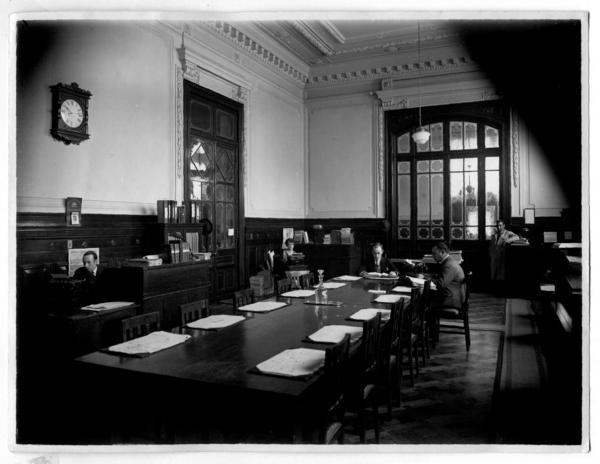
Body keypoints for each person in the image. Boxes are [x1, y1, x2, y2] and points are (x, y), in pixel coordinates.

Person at [430, 241, 465, 308]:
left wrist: (427, 280)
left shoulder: (449, 265)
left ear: (442, 252)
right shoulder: (449, 261)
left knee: (423, 300)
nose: (432, 256)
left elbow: (441, 284)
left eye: (434, 254)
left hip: (451, 299)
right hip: (452, 295)